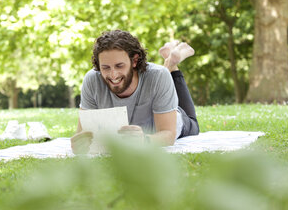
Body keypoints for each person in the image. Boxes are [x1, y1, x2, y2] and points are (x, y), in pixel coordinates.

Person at [71, 30, 199, 154]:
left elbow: (168, 134)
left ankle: (171, 65)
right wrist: (79, 144)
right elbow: (81, 133)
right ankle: (170, 61)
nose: (113, 75)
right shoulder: (92, 80)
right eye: (105, 67)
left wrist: (144, 140)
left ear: (134, 61)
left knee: (193, 123)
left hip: (168, 119)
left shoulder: (158, 76)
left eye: (119, 66)